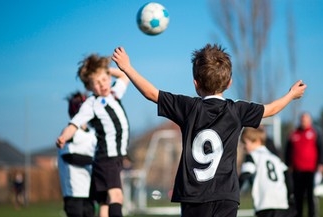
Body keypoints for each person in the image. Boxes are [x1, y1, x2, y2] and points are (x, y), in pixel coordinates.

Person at [111, 43, 306, 217]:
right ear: (229, 83)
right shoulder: (237, 110)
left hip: (193, 195)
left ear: (196, 83)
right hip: (226, 195)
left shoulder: (188, 107)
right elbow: (271, 109)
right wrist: (291, 95)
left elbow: (151, 93)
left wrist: (127, 67)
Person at [56, 54, 130, 217]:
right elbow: (75, 123)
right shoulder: (91, 104)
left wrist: (106, 71)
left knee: (104, 202)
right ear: (89, 87)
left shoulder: (114, 93)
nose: (102, 85)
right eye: (96, 83)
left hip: (111, 158)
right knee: (116, 196)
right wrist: (64, 137)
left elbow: (125, 75)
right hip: (107, 158)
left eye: (104, 79)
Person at [239, 127, 297, 217]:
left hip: (265, 203)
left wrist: (235, 193)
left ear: (257, 141)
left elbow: (244, 175)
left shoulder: (252, 156)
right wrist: (291, 195)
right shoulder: (275, 158)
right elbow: (287, 174)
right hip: (282, 202)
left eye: (245, 142)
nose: (243, 146)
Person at [58, 91, 97, 217]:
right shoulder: (68, 132)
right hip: (73, 190)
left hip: (89, 190)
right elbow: (69, 156)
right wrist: (93, 161)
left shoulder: (93, 132)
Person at [284, 112, 323, 217]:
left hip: (310, 171)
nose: (304, 122)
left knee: (310, 197)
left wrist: (321, 163)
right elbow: (288, 151)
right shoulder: (294, 134)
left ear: (310, 121)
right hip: (297, 171)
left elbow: (321, 149)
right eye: (302, 120)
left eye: (306, 120)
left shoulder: (315, 133)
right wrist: (288, 165)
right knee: (298, 197)